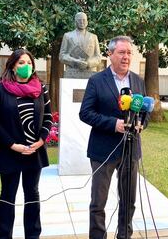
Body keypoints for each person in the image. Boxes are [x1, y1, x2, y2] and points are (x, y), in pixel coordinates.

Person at [79, 36, 147, 239]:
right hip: (103, 149)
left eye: (129, 53)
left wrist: (142, 123)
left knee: (129, 200)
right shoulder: (96, 81)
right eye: (121, 52)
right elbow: (85, 113)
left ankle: (124, 235)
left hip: (130, 148)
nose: (126, 57)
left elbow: (145, 111)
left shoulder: (138, 81)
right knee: (98, 201)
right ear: (110, 55)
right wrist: (113, 124)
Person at [0, 48, 52, 239]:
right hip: (9, 152)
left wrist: (41, 140)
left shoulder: (41, 88)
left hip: (34, 152)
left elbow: (48, 117)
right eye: (21, 63)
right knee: (8, 195)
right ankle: (3, 235)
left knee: (32, 194)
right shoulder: (1, 89)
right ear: (13, 66)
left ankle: (33, 235)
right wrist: (12, 145)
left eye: (29, 63)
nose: (26, 66)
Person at [59, 12, 102, 78]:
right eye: (79, 20)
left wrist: (88, 63)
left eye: (84, 20)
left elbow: (98, 57)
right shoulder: (67, 36)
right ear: (75, 22)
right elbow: (62, 56)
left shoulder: (93, 37)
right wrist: (75, 61)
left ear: (87, 22)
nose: (82, 22)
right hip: (72, 72)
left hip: (90, 72)